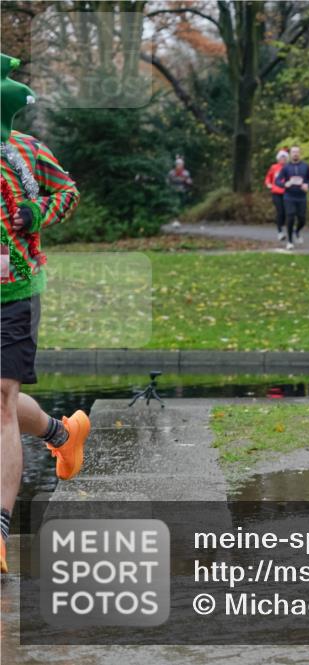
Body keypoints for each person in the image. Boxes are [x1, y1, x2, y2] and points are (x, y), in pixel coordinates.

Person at [1, 53, 89, 573]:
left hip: (14, 292)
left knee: (1, 395)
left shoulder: (27, 150)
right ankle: (61, 433)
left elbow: (68, 193)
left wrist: (38, 213)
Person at [264, 149, 289, 241]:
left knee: (287, 212)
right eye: (281, 158)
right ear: (278, 159)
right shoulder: (274, 167)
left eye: (284, 158)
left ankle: (286, 228)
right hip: (276, 192)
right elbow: (268, 177)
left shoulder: (289, 167)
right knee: (280, 211)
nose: (283, 159)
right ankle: (280, 231)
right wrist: (268, 184)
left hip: (287, 192)